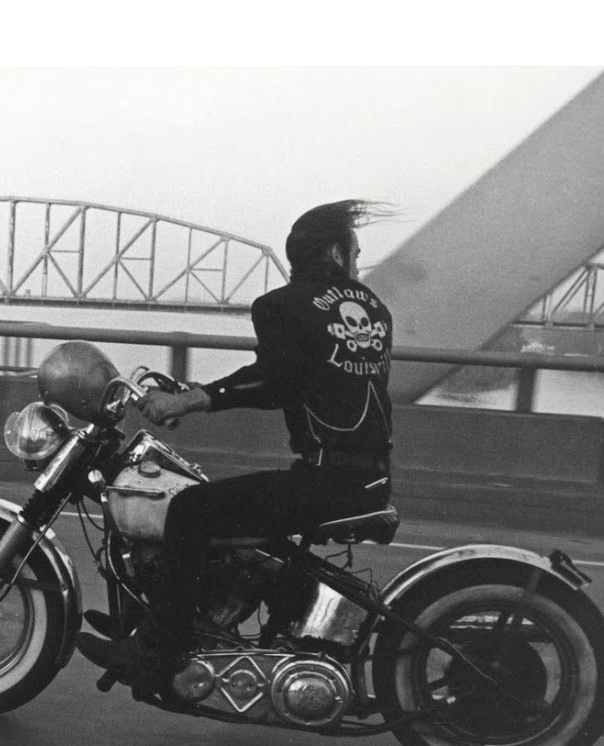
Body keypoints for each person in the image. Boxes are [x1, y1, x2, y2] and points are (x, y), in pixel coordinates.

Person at [77, 199, 397, 685]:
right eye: (355, 251)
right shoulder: (374, 310)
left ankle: (160, 650)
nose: (356, 262)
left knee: (189, 509)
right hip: (367, 474)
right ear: (335, 253)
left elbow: (273, 383)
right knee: (234, 515)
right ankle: (171, 617)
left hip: (327, 478)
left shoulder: (284, 305)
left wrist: (187, 401)